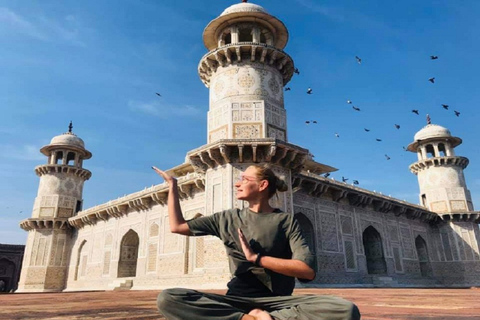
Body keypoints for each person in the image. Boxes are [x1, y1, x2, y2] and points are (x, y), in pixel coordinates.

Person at [153, 164, 360, 320]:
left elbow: (307, 271)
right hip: (237, 299)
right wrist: (173, 187)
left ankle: (259, 316)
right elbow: (177, 226)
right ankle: (248, 318)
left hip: (280, 302)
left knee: (346, 310)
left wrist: (257, 258)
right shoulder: (227, 218)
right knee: (169, 298)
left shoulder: (285, 220)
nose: (237, 183)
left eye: (244, 179)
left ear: (262, 185)